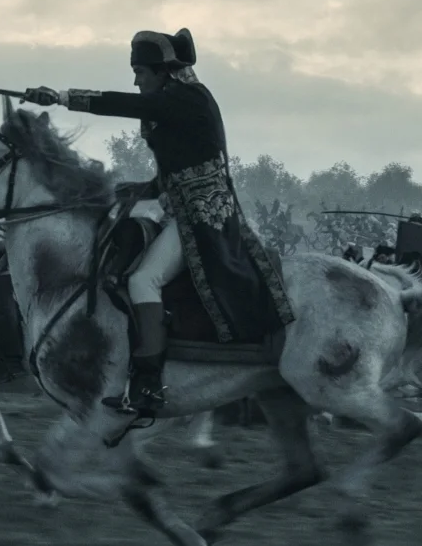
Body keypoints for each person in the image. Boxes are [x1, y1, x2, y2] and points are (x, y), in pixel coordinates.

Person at [22, 28, 295, 415]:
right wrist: (133, 189)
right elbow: (174, 172)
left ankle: (148, 380)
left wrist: (62, 97)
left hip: (200, 218)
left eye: (140, 72)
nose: (136, 81)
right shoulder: (178, 100)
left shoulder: (185, 98)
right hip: (181, 209)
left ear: (162, 72)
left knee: (142, 279)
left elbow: (125, 104)